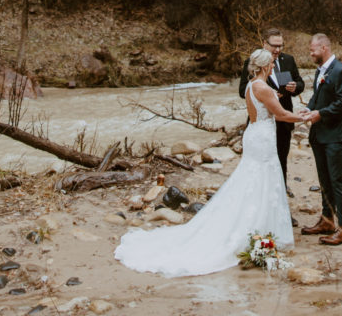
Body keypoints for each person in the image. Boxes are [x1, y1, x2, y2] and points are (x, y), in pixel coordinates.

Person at [115, 49, 306, 277]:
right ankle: (258, 231)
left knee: (253, 179)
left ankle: (260, 229)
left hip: (254, 133)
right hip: (263, 137)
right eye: (272, 64)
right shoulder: (263, 88)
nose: (274, 67)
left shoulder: (250, 85)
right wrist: (305, 116)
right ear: (265, 66)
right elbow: (282, 115)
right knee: (264, 179)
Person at [300, 33, 342, 246]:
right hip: (319, 134)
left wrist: (320, 114)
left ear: (324, 48)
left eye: (313, 49)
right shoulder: (320, 71)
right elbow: (317, 96)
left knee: (336, 180)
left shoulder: (341, 71)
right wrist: (308, 109)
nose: (310, 53)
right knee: (323, 179)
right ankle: (327, 220)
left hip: (335, 134)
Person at [238, 28, 305, 191]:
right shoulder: (253, 63)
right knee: (260, 161)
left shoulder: (288, 60)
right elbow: (243, 90)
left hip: (283, 122)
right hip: (263, 122)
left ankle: (281, 188)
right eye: (274, 46)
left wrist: (295, 87)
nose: (277, 50)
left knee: (281, 158)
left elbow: (300, 83)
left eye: (280, 46)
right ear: (264, 43)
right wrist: (266, 95)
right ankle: (262, 191)